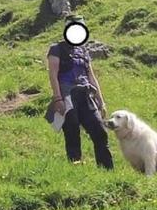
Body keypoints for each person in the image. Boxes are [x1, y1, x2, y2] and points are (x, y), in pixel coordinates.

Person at [47, 15, 113, 169]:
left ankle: (107, 170)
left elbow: (91, 76)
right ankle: (75, 167)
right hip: (66, 94)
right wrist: (58, 99)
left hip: (85, 95)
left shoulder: (83, 50)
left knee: (100, 131)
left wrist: (101, 102)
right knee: (72, 131)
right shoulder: (56, 49)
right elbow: (53, 75)